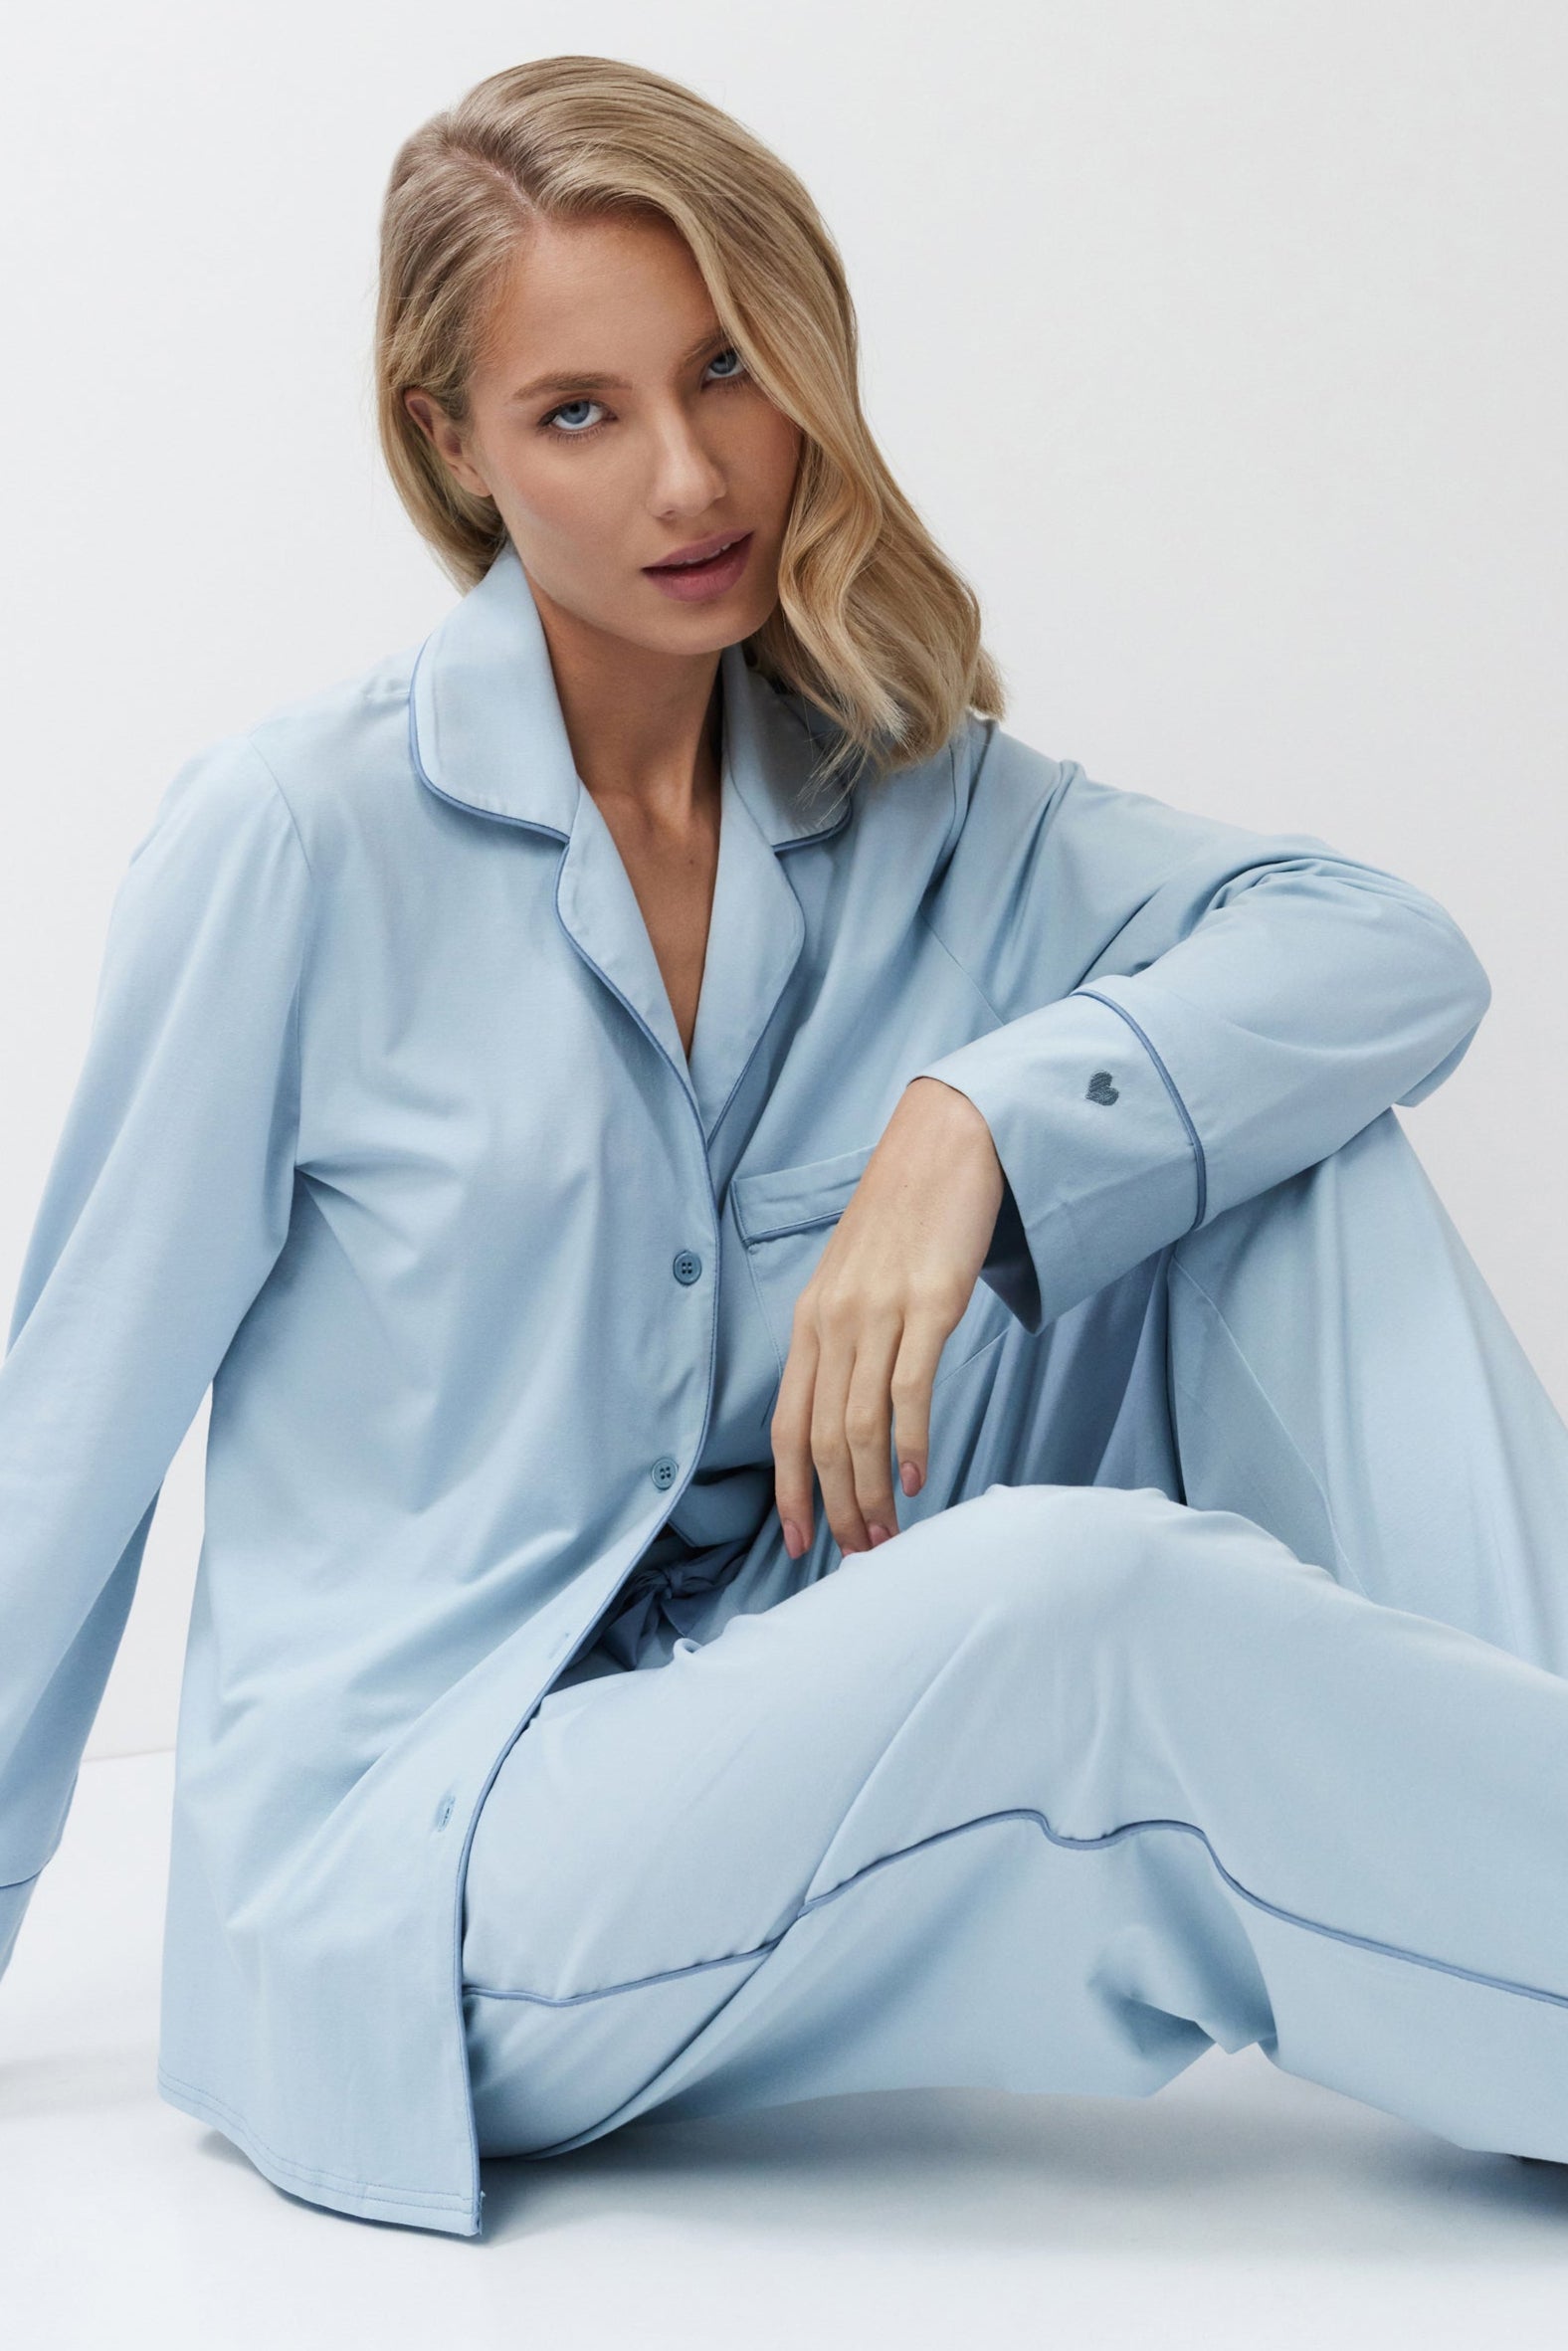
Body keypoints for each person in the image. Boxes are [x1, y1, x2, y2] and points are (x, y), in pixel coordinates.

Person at [3, 54, 1566, 2243]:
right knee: (1086, 1610)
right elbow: (58, 1435)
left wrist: (976, 1124)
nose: (688, 474)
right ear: (448, 446)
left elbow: (1382, 953)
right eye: (579, 413)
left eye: (726, 367)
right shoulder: (293, 843)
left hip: (805, 1700)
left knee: (1275, 1151)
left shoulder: (913, 792)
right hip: (452, 1849)